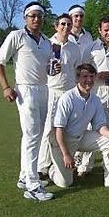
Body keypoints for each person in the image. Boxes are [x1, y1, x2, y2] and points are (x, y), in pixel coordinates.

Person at [0, 1, 54, 201]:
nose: (36, 19)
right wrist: (5, 87)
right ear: (25, 18)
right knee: (31, 136)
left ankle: (24, 177)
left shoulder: (46, 41)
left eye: (39, 16)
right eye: (32, 16)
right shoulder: (16, 36)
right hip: (25, 90)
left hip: (43, 89)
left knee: (35, 135)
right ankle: (33, 185)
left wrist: (54, 69)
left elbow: (47, 68)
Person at [48, 63, 109, 190]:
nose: (88, 80)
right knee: (65, 183)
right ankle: (53, 170)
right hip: (62, 141)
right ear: (77, 79)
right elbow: (59, 129)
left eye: (91, 76)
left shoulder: (95, 99)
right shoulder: (67, 98)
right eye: (84, 76)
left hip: (81, 137)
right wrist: (66, 154)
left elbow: (100, 125)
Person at [76, 17, 109, 176]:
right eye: (105, 30)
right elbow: (81, 70)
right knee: (91, 129)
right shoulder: (91, 48)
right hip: (95, 93)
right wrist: (96, 75)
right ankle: (84, 167)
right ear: (99, 30)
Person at [37, 13, 81, 177]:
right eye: (63, 24)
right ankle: (42, 167)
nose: (66, 27)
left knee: (68, 129)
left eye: (69, 25)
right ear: (56, 26)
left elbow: (77, 70)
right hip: (52, 91)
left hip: (69, 92)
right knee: (48, 129)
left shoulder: (74, 47)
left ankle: (68, 163)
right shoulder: (48, 44)